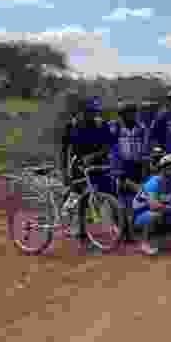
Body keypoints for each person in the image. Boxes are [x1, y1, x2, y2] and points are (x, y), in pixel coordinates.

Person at [60, 95, 117, 251]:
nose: (92, 115)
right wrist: (64, 171)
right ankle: (82, 231)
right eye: (89, 111)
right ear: (81, 111)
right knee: (80, 196)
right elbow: (64, 150)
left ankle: (118, 228)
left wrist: (94, 156)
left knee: (109, 193)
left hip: (99, 164)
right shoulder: (71, 125)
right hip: (78, 166)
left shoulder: (101, 125)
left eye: (94, 112)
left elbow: (110, 145)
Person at [108, 101, 150, 242]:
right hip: (121, 165)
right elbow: (112, 148)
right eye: (127, 113)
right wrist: (116, 168)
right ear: (121, 115)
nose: (131, 116)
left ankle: (131, 228)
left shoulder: (141, 128)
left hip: (136, 165)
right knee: (123, 198)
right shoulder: (115, 127)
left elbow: (145, 149)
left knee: (136, 197)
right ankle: (123, 229)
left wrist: (145, 166)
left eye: (133, 113)